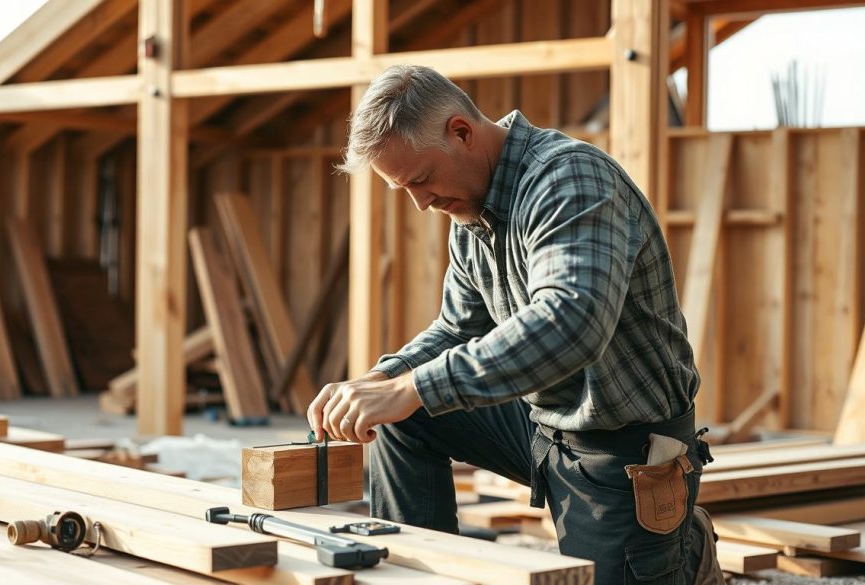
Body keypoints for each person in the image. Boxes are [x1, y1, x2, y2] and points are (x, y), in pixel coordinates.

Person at [306, 64, 725, 583]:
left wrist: (415, 385)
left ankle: (684, 552)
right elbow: (457, 329)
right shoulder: (472, 209)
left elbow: (571, 324)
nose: (421, 204)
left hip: (625, 446)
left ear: (461, 132)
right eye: (404, 190)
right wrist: (380, 381)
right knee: (401, 414)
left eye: (420, 181)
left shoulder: (569, 178)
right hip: (544, 426)